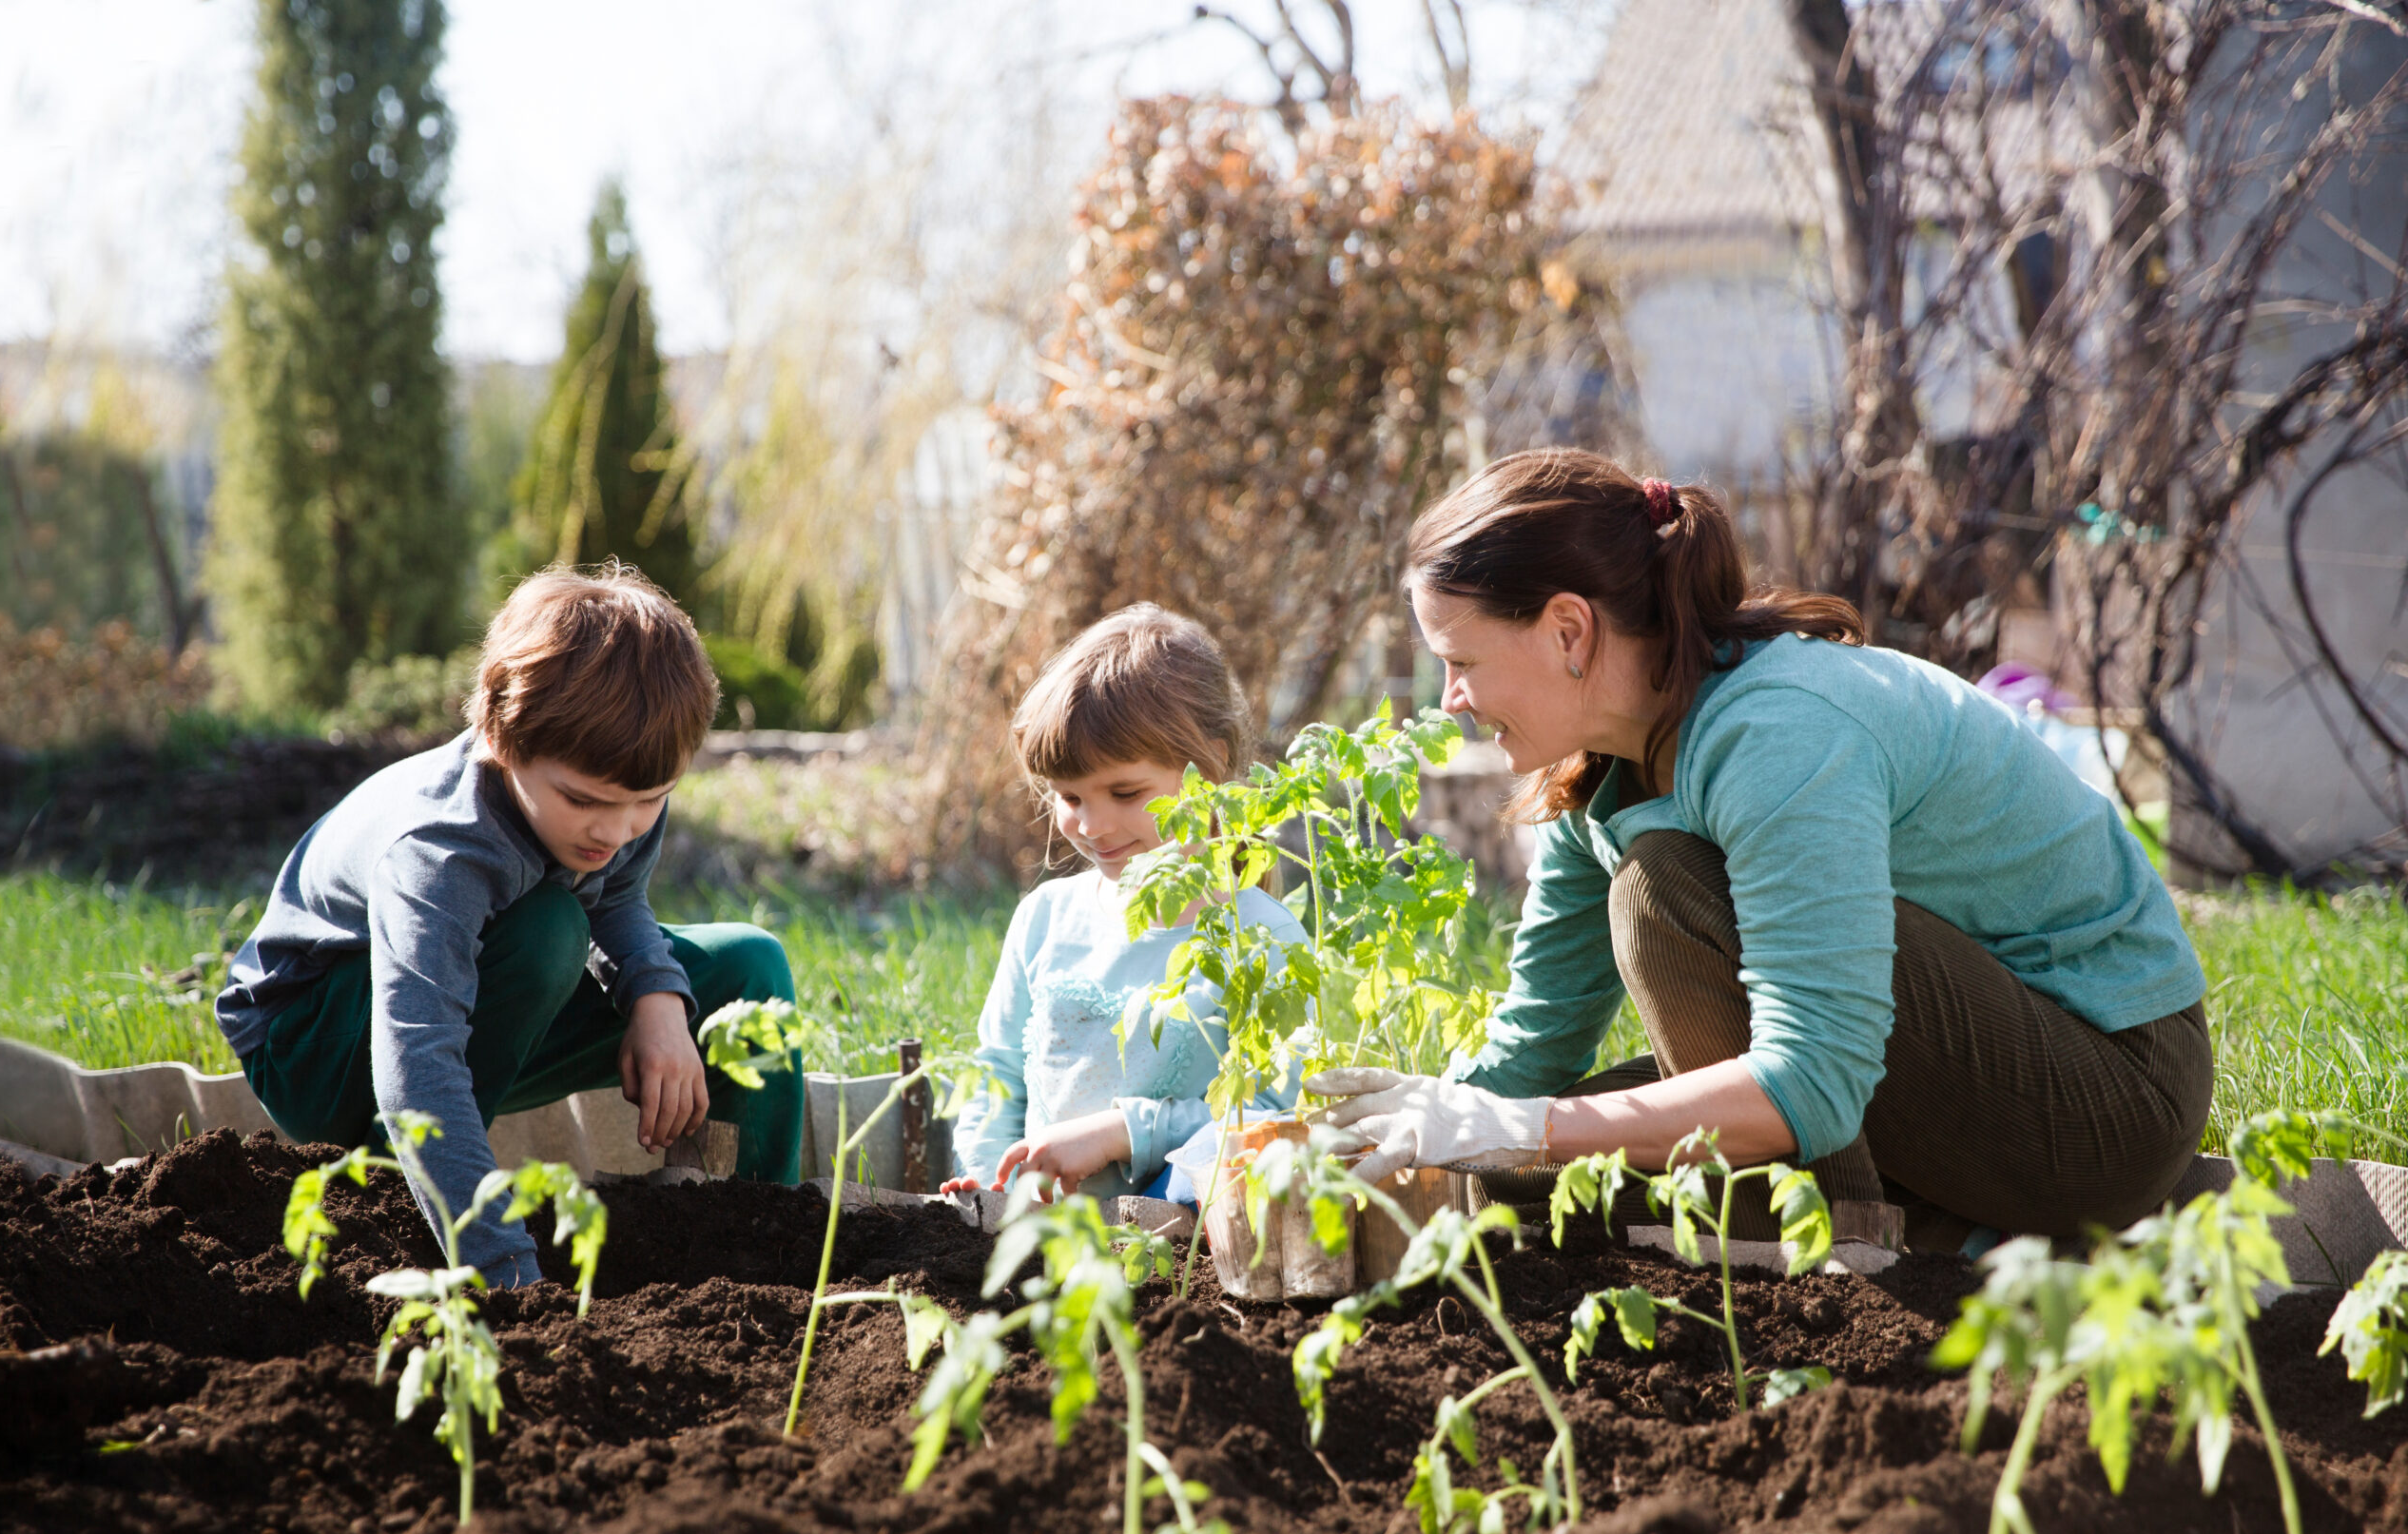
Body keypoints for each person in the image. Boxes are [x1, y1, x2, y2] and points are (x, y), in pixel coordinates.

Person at [1310, 449, 2210, 1251]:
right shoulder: (1599, 771)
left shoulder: (1778, 733)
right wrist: (1397, 1131)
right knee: (1506, 1176)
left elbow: (1812, 1076)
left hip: (2106, 1094)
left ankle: (1843, 1249)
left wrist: (1528, 1124)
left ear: (1568, 630)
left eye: (1460, 660)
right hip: (1928, 1069)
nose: (1449, 697)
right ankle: (1932, 1224)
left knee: (1659, 893)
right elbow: (1529, 1058)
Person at [216, 563, 804, 1287]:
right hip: (317, 1041)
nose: (616, 830)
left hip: (476, 1002)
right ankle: (390, 1189)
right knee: (548, 929)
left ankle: (769, 1241)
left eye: (647, 802)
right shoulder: (440, 850)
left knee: (751, 967)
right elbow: (418, 1065)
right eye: (585, 801)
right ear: (500, 735)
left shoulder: (618, 793)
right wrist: (506, 1273)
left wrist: (656, 999)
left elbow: (614, 897)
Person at [942, 603, 1308, 1199]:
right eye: (1070, 797)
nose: (1093, 825)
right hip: (1037, 1236)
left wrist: (1121, 1132)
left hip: (1179, 1252)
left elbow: (1275, 1117)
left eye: (1124, 792)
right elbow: (998, 1077)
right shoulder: (1046, 919)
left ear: (1208, 769)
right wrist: (991, 1181)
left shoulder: (1260, 937)